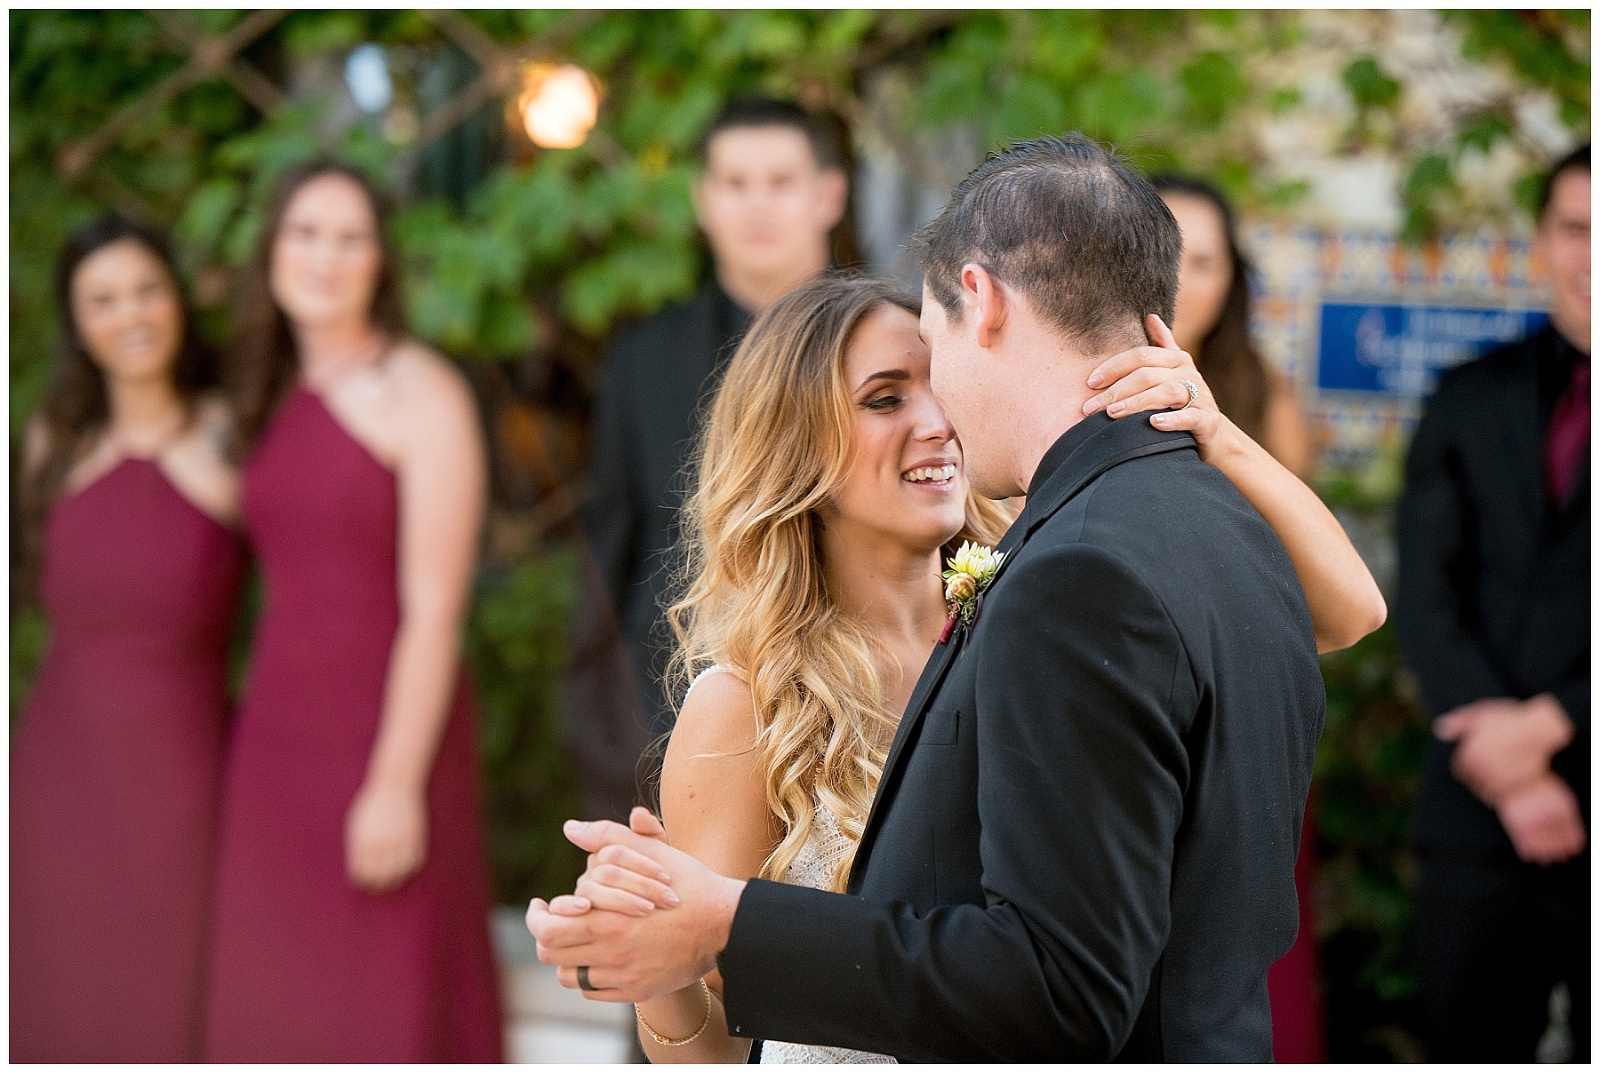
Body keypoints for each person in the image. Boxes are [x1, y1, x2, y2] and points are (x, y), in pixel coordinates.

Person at [528, 134, 1384, 1061]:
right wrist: (668, 969)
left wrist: (1212, 431)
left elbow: (1348, 614)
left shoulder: (1046, 584)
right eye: (885, 397)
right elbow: (707, 1050)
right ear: (794, 449)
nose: (936, 415)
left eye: (933, 374)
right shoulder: (745, 704)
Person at [202, 161, 502, 1061]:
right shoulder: (255, 398)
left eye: (350, 237)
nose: (324, 257)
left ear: (380, 261)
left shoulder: (424, 393)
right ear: (271, 252)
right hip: (274, 739)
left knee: (383, 997)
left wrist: (395, 783)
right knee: (271, 995)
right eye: (304, 233)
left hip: (386, 732)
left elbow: (435, 608)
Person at [573, 96, 849, 818]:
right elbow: (612, 552)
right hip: (665, 726)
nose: (757, 205)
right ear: (702, 199)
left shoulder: (896, 346)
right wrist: (599, 725)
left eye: (780, 182)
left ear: (829, 194)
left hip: (858, 714)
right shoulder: (641, 358)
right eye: (735, 183)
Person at [11, 216, 244, 1061]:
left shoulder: (232, 437)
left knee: (159, 998)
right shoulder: (52, 441)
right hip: (53, 773)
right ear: (76, 324)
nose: (131, 315)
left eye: (147, 289)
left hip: (186, 772)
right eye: (102, 300)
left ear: (177, 300)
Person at [1395, 143, 1589, 1062]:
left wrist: (1554, 723)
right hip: (1475, 810)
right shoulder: (1468, 395)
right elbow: (1426, 590)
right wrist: (1508, 764)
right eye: (1576, 229)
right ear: (1544, 240)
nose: (1592, 256)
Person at [1154, 172, 1324, 1061]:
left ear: (1233, 280)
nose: (1179, 279)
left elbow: (1310, 591)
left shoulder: (1260, 399)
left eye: (1205, 260)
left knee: (1250, 946)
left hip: (1242, 705)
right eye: (1163, 252)